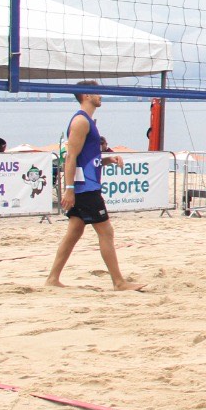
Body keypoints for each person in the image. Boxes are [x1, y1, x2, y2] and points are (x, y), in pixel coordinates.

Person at [45, 81, 146, 292]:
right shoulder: (81, 121)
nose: (101, 95)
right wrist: (69, 189)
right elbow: (70, 157)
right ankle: (119, 282)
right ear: (86, 95)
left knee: (74, 232)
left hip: (85, 186)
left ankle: (53, 278)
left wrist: (109, 160)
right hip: (85, 189)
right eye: (97, 91)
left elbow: (86, 157)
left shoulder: (88, 121)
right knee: (106, 232)